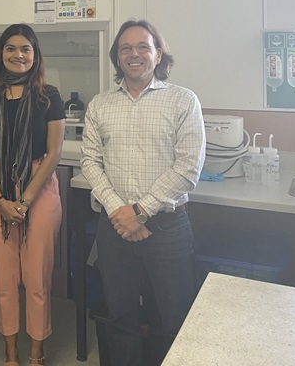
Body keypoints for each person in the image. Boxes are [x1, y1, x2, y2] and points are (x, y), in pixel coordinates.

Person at [80, 19, 205, 365]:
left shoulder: (182, 101)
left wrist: (139, 211)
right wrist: (120, 211)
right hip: (114, 229)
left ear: (158, 53)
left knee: (175, 320)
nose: (134, 54)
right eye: (125, 48)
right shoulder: (100, 105)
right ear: (117, 57)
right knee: (119, 318)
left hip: (167, 229)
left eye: (142, 47)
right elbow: (90, 162)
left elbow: (188, 168)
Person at [0, 24, 65, 366]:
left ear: (35, 55)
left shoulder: (49, 96)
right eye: (10, 48)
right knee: (5, 280)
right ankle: (11, 355)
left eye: (26, 48)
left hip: (39, 190)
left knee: (37, 280)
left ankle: (36, 355)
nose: (18, 55)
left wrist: (23, 201)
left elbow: (53, 155)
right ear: (1, 53)